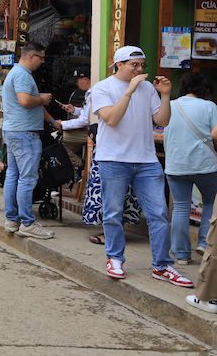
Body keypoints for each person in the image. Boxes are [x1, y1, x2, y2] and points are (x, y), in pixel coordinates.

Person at [93, 45, 192, 287]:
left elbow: (162, 120)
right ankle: (114, 258)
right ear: (119, 64)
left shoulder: (148, 88)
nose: (139, 69)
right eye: (133, 64)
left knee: (159, 213)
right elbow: (112, 119)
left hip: (146, 160)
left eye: (141, 65)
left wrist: (166, 94)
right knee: (113, 212)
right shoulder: (102, 88)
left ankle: (162, 265)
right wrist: (129, 91)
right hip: (113, 159)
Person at [0, 42, 55, 240]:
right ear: (32, 56)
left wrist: (52, 121)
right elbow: (25, 101)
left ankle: (12, 219)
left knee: (13, 175)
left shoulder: (15, 73)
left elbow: (30, 104)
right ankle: (27, 223)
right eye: (41, 58)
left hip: (14, 130)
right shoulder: (23, 75)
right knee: (27, 178)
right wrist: (42, 98)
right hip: (24, 133)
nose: (42, 62)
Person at [163, 72, 217, 265]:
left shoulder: (169, 105)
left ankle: (180, 255)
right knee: (211, 201)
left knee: (180, 207)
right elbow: (215, 134)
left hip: (176, 164)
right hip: (205, 164)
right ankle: (204, 242)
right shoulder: (210, 107)